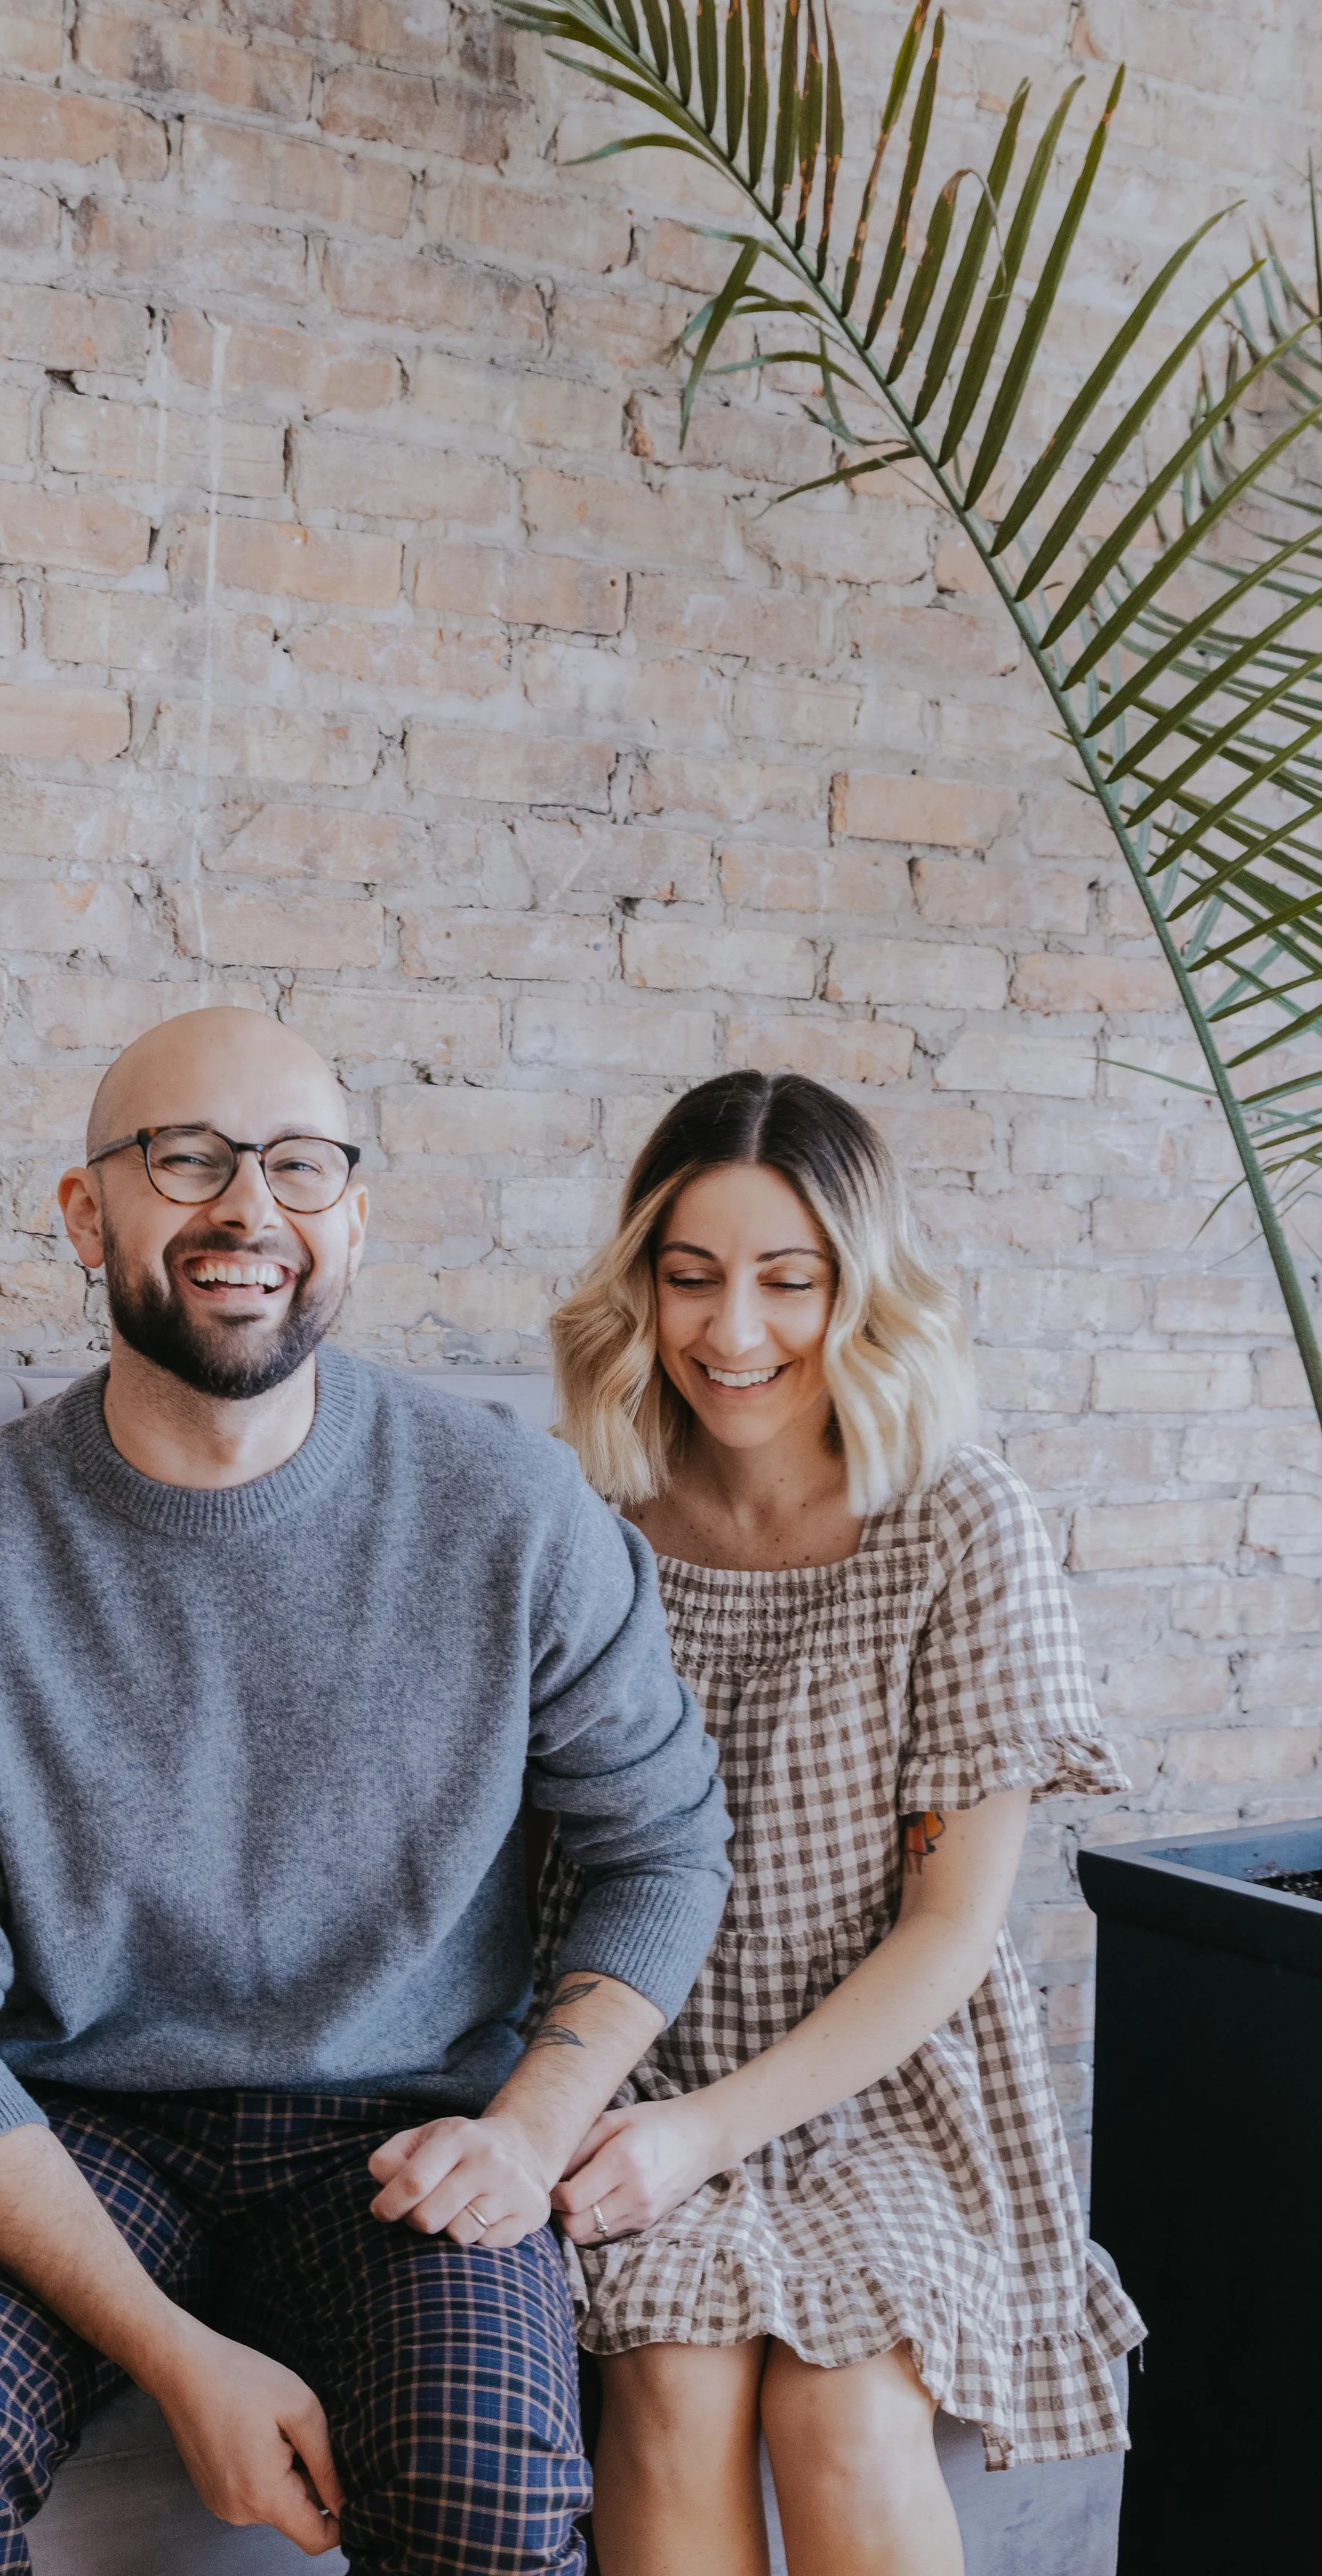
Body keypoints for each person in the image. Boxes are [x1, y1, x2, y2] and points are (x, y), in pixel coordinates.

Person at [0, 1005, 732, 2575]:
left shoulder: (509, 1509)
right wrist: (170, 2349)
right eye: (185, 1158)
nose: (246, 1209)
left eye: (297, 1164)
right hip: (71, 2123)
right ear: (87, 1212)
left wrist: (529, 2124)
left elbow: (665, 1843)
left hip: (403, 2128)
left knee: (488, 2493)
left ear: (353, 1215)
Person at [541, 1069, 1143, 2576]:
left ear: (856, 1289)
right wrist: (619, 2109)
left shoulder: (956, 1521)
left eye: (784, 1280)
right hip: (641, 2044)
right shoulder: (588, 1517)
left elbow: (949, 1933)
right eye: (688, 1277)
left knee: (840, 2411)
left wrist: (703, 2136)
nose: (730, 1332)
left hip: (884, 2080)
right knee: (671, 2387)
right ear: (641, 1286)